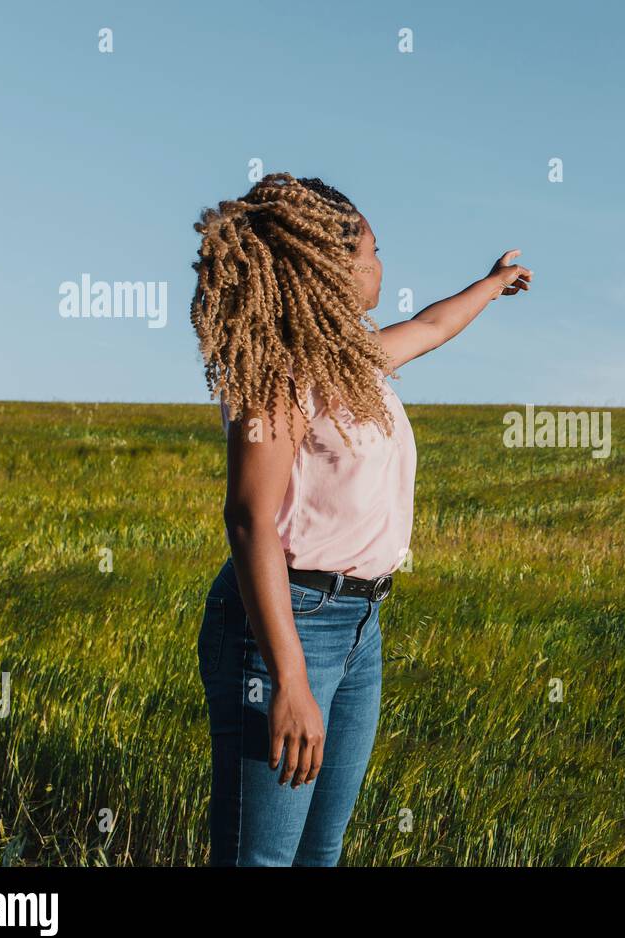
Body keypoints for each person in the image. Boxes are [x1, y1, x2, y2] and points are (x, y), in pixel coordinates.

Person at [189, 172, 532, 865]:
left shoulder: (347, 360)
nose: (381, 266)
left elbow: (432, 326)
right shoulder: (276, 376)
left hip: (359, 623)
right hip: (289, 626)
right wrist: (289, 679)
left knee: (322, 852)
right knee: (261, 859)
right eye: (373, 251)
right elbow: (250, 521)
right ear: (329, 265)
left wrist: (491, 285)